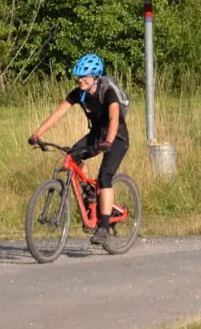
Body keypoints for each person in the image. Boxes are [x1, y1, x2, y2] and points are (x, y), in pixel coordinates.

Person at [28, 54, 128, 246]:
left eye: (86, 77)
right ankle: (89, 191)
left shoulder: (108, 92)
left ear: (96, 77)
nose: (81, 80)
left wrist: (108, 142)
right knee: (71, 157)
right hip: (97, 134)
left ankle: (104, 227)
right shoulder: (78, 93)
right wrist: (37, 134)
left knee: (105, 176)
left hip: (117, 136)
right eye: (79, 76)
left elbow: (114, 118)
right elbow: (58, 114)